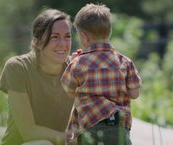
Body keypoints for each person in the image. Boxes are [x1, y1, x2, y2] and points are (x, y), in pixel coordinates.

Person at [61, 3, 142, 145]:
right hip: (119, 128)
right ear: (109, 32)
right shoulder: (124, 62)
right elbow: (135, 94)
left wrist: (73, 63)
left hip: (90, 129)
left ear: (84, 37)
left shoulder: (78, 63)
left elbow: (68, 90)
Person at [0, 9, 74, 145]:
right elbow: (28, 132)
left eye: (67, 36)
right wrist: (70, 139)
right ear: (37, 42)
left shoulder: (76, 68)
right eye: (55, 37)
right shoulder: (17, 68)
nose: (63, 44)